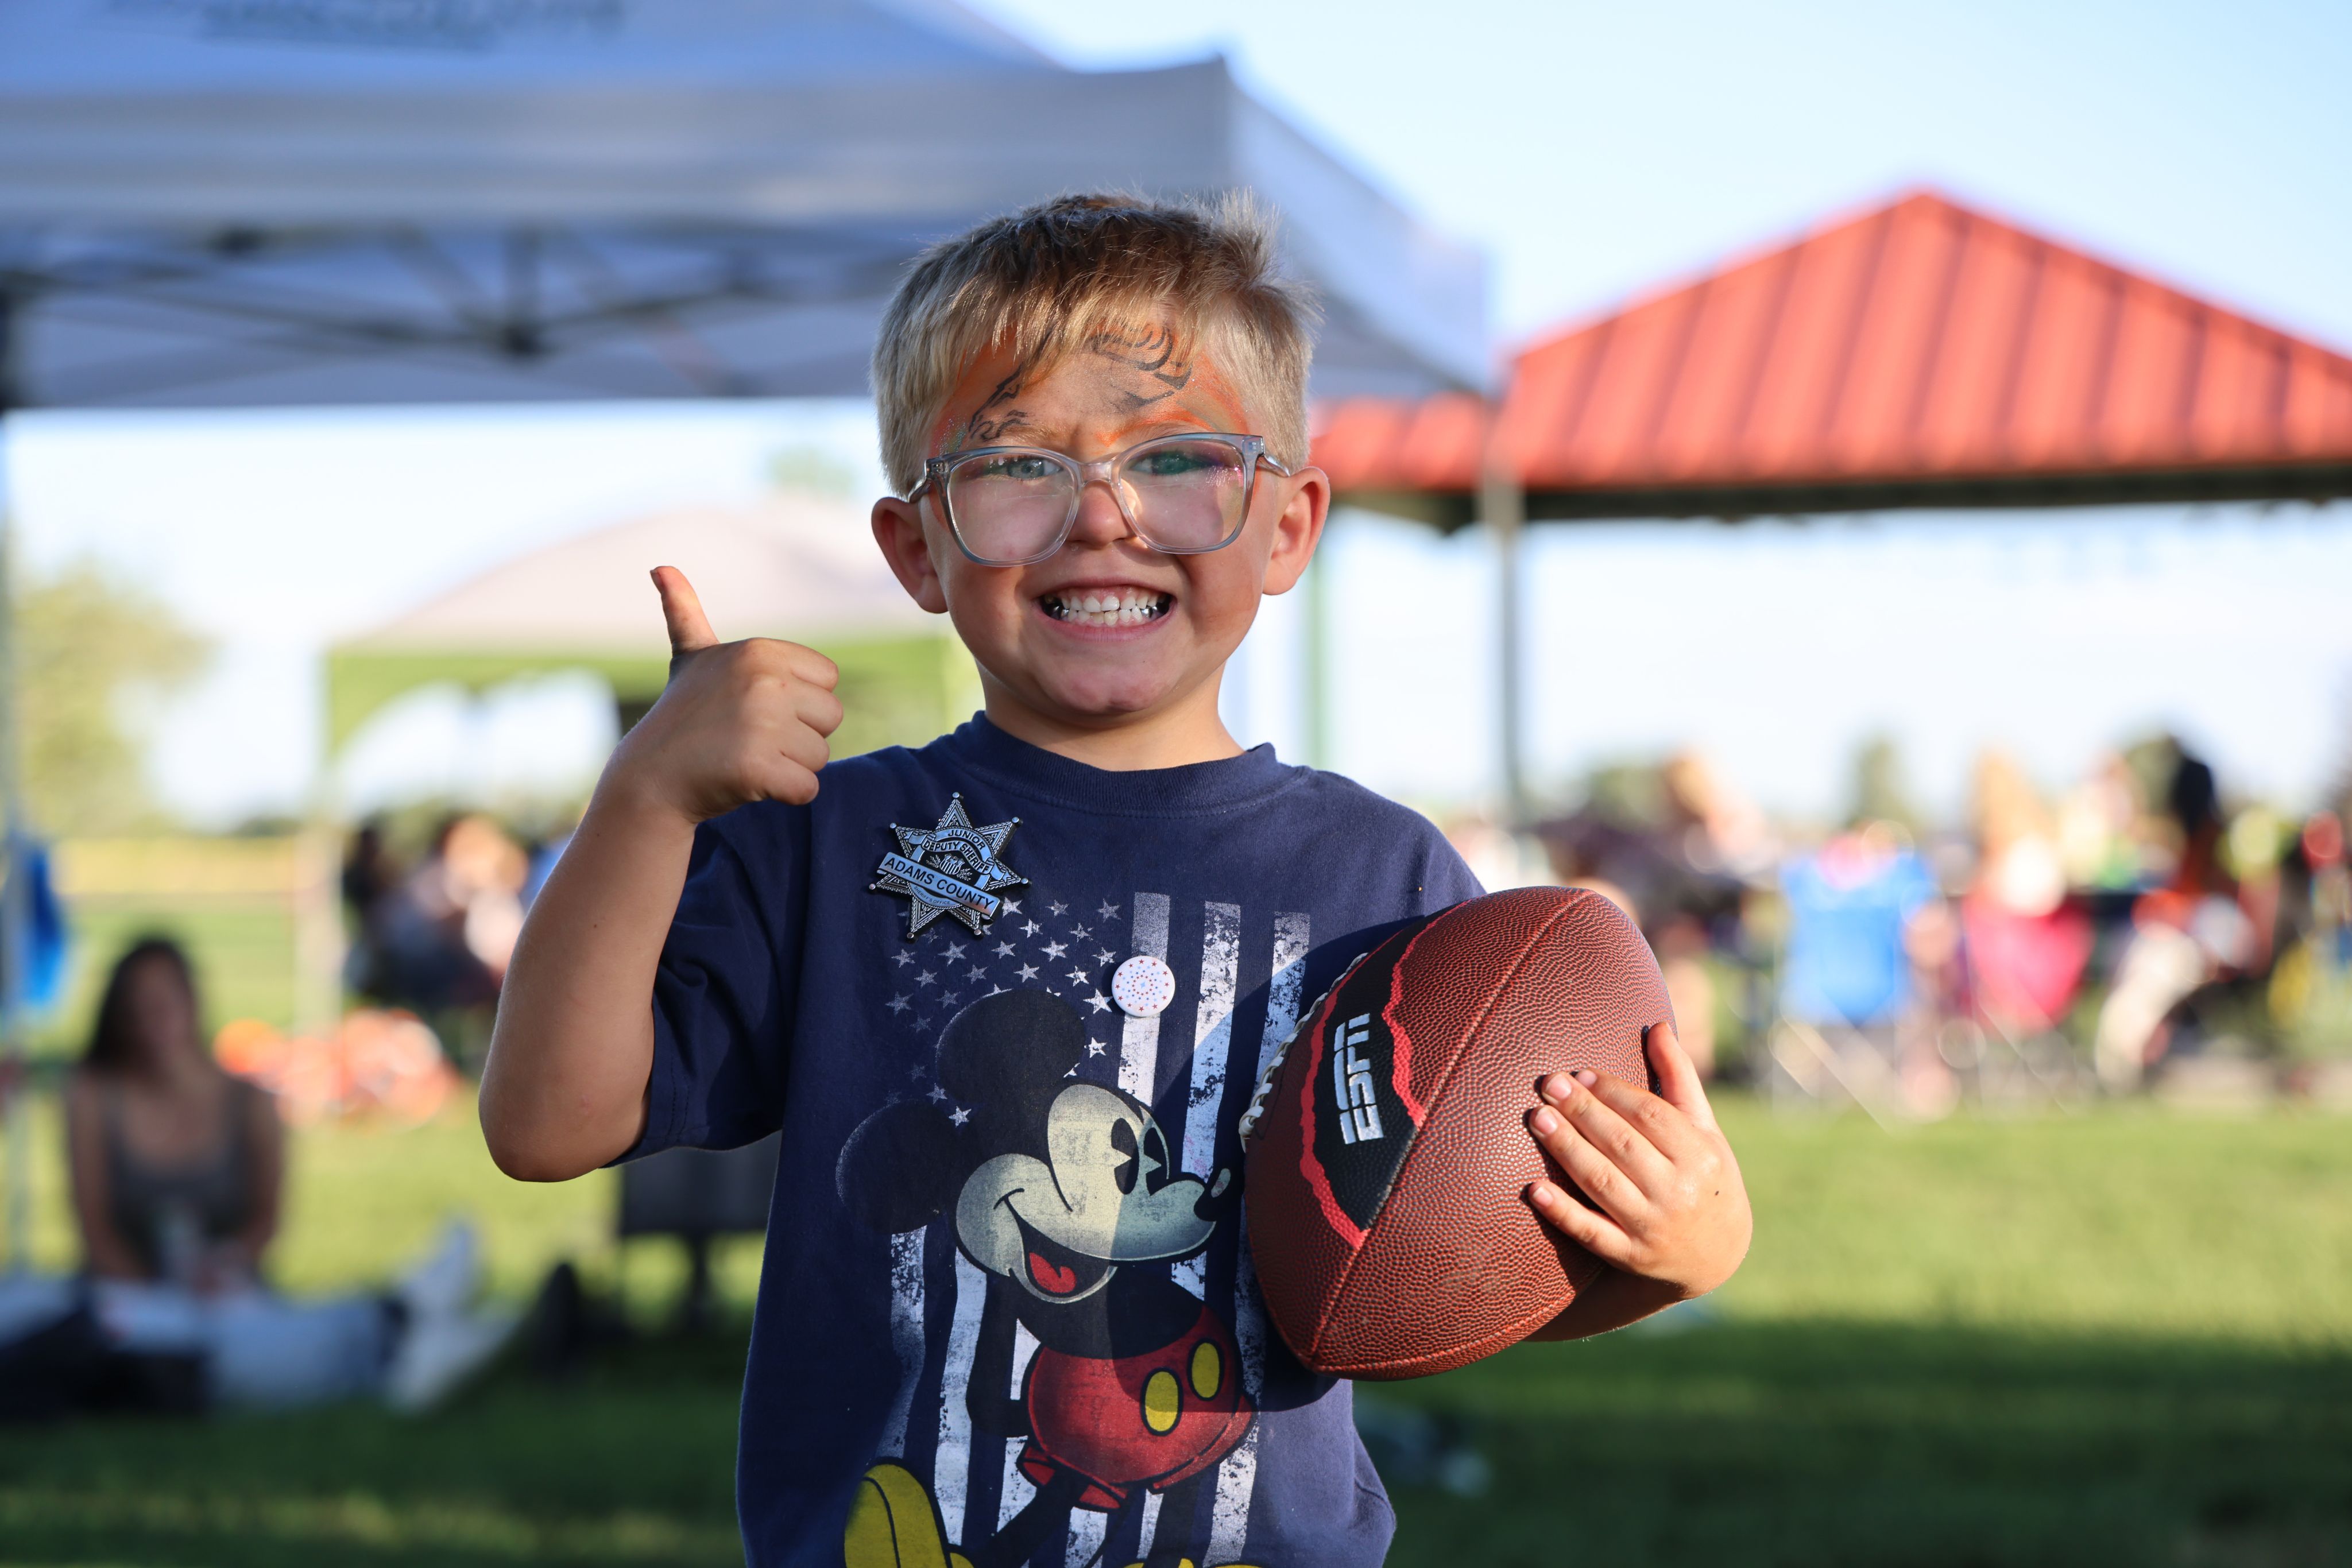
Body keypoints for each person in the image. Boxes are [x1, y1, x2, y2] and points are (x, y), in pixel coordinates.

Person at [482, 193, 1753, 1568]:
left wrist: (1679, 1251)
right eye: (1018, 465)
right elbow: (548, 1124)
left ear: (1285, 525)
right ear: (919, 547)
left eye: (1179, 460)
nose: (1102, 516)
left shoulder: (1389, 881)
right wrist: (646, 796)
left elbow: (1427, 1275)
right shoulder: (826, 838)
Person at [36, 938, 516, 1412]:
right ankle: (400, 1322)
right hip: (131, 1301)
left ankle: (407, 1323)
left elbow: (266, 1220)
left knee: (246, 1330)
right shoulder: (95, 1096)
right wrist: (165, 1293)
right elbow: (95, 1229)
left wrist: (227, 1263)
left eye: (165, 1000)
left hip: (228, 1289)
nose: (153, 1017)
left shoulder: (244, 1098)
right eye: (139, 1005)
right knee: (215, 1345)